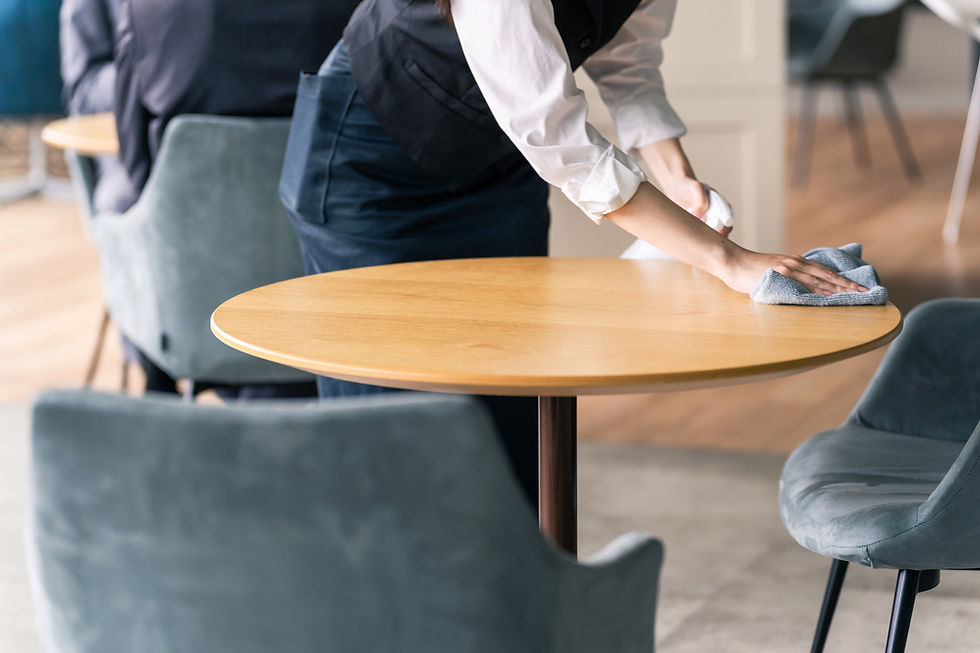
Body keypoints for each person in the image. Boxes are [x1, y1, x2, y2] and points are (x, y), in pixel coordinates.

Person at [280, 0, 867, 501]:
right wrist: (729, 261)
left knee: (513, 426)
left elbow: (627, 60)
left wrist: (676, 176)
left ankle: (517, 612)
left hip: (499, 169)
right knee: (389, 438)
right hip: (372, 169)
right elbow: (557, 137)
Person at [112, 0, 359, 397]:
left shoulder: (149, 11)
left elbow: (137, 166)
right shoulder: (363, 11)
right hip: (336, 313)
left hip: (193, 312)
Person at [59, 0, 136, 213]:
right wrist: (146, 74)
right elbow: (82, 90)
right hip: (126, 148)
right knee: (122, 200)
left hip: (219, 135)